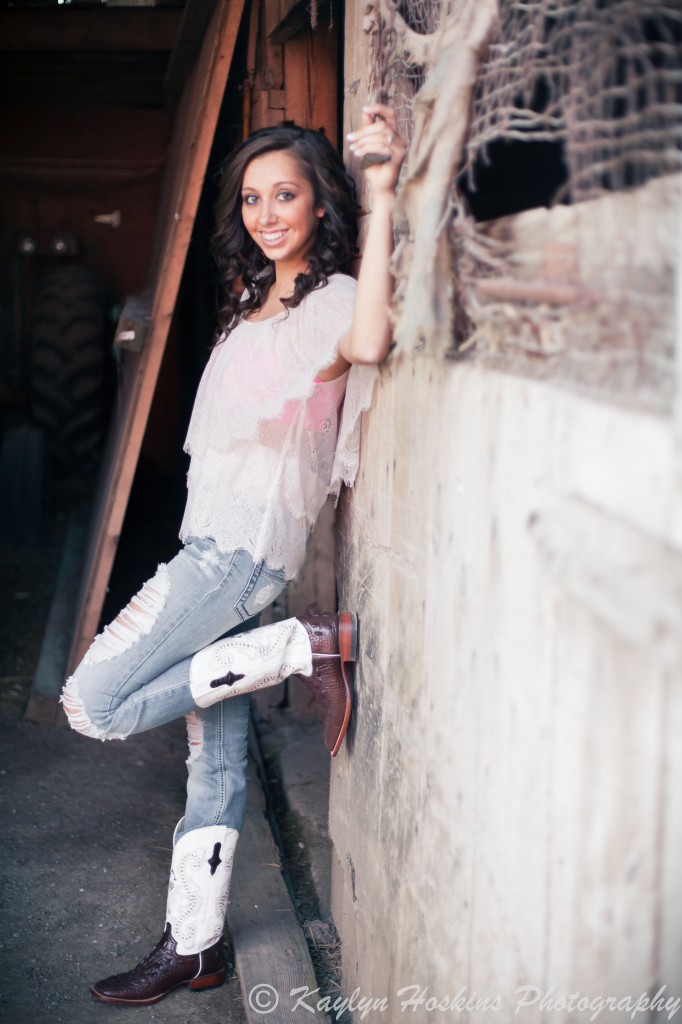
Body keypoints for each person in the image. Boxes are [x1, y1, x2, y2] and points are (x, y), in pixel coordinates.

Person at [60, 104, 405, 1006]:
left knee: (93, 704)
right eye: (251, 198)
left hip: (234, 562)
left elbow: (370, 339)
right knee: (211, 758)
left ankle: (304, 647)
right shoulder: (253, 302)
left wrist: (386, 186)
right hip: (218, 549)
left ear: (320, 204)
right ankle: (196, 941)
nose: (266, 213)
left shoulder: (331, 300)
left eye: (284, 194)